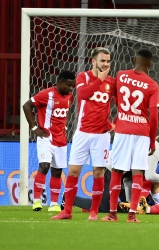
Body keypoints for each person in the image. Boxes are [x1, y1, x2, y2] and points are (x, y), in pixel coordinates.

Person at [51, 47, 115, 221]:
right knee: (72, 172)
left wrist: (112, 122)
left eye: (108, 61)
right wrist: (100, 79)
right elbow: (84, 94)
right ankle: (67, 211)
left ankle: (94, 212)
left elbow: (122, 102)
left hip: (101, 135)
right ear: (94, 61)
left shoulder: (112, 82)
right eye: (102, 61)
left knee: (99, 172)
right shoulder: (83, 77)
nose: (106, 64)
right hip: (82, 133)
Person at [101, 49, 159, 223]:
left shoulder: (121, 75)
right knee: (137, 173)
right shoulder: (152, 85)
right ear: (150, 63)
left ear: (135, 60)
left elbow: (114, 97)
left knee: (117, 171)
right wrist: (151, 140)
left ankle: (112, 214)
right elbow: (154, 116)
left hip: (123, 129)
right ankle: (132, 215)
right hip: (141, 132)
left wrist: (121, 113)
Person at [22, 70, 76, 212]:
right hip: (46, 137)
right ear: (60, 82)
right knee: (44, 166)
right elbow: (26, 106)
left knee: (57, 171)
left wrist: (64, 124)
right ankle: (37, 201)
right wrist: (34, 128)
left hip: (61, 139)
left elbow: (69, 109)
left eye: (73, 87)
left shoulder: (70, 96)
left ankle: (53, 204)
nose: (71, 89)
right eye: (69, 86)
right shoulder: (46, 94)